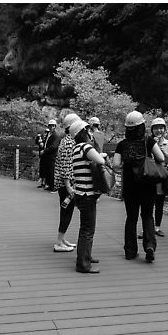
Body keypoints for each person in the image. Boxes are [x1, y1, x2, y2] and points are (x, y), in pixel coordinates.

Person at [113, 111, 165, 263]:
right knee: (148, 215)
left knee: (131, 217)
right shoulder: (148, 141)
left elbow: (116, 164)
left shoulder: (122, 144)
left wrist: (126, 166)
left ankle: (130, 251)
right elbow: (161, 158)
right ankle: (149, 246)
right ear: (142, 126)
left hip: (130, 186)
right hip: (148, 184)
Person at [69, 117, 107, 273]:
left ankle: (85, 256)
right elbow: (100, 160)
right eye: (88, 130)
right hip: (87, 194)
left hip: (80, 193)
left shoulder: (76, 148)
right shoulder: (85, 147)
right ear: (84, 132)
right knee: (88, 229)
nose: (91, 132)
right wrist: (103, 156)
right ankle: (83, 264)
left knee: (85, 227)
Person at [51, 114, 79, 252]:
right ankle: (59, 242)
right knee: (67, 211)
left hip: (64, 183)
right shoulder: (69, 142)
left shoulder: (66, 140)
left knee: (66, 211)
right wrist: (69, 186)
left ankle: (62, 239)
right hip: (67, 184)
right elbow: (67, 165)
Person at [150, 118, 168, 237]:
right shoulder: (148, 141)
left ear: (165, 130)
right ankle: (147, 227)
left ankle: (157, 227)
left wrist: (160, 150)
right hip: (149, 175)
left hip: (162, 176)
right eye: (156, 128)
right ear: (152, 130)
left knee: (159, 202)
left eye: (161, 128)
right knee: (148, 202)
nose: (159, 130)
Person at [41, 119, 61, 191]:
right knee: (48, 171)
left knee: (52, 171)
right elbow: (46, 142)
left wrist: (45, 150)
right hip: (47, 155)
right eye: (50, 126)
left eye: (53, 126)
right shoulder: (49, 134)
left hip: (52, 156)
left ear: (55, 126)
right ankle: (49, 185)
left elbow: (54, 146)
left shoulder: (56, 135)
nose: (51, 127)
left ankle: (53, 187)